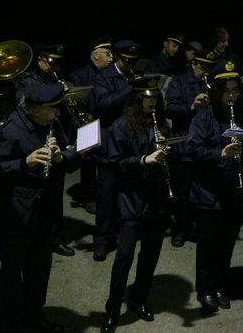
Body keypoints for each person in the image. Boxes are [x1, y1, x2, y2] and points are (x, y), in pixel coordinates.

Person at [0, 83, 82, 333]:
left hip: (44, 212)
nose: (57, 113)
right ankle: (9, 323)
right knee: (13, 275)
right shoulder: (8, 130)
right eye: (52, 110)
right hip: (14, 214)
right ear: (36, 110)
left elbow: (71, 153)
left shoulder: (51, 124)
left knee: (40, 272)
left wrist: (61, 158)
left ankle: (33, 316)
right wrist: (24, 163)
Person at [100, 76, 172, 333]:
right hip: (132, 199)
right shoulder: (120, 127)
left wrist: (167, 152)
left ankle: (139, 298)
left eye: (155, 98)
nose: (151, 102)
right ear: (136, 98)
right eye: (146, 97)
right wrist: (144, 159)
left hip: (156, 198)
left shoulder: (160, 124)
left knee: (150, 255)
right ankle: (112, 310)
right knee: (125, 256)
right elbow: (117, 164)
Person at [187, 60, 243, 313]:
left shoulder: (242, 112)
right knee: (208, 244)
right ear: (217, 91)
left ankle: (221, 286)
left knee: (227, 242)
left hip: (233, 190)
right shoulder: (204, 115)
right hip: (208, 191)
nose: (232, 96)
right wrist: (221, 153)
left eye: (235, 91)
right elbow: (193, 148)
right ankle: (205, 289)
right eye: (227, 91)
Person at [15, 44, 75, 257]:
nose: (55, 67)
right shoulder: (26, 80)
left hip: (55, 134)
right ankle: (33, 238)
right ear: (40, 59)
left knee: (55, 195)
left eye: (58, 63)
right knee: (35, 196)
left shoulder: (59, 79)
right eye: (52, 63)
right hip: (33, 138)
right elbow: (21, 106)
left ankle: (56, 238)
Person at [91, 39, 144, 260]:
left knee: (128, 191)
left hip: (131, 142)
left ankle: (125, 233)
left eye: (134, 61)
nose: (130, 65)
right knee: (107, 194)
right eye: (126, 61)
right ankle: (102, 240)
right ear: (117, 57)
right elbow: (103, 105)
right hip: (109, 144)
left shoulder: (136, 75)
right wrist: (130, 88)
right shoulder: (103, 77)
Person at [164, 49, 216, 247]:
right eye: (203, 67)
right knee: (183, 192)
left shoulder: (211, 84)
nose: (206, 72)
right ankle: (181, 228)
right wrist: (191, 107)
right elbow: (168, 108)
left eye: (210, 68)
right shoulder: (178, 82)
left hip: (205, 145)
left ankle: (196, 228)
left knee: (202, 191)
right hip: (184, 145)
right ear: (194, 64)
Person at [67, 36, 114, 214]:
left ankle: (105, 193)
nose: (111, 57)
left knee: (107, 160)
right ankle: (88, 196)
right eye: (107, 54)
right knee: (88, 162)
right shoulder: (78, 75)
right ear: (96, 56)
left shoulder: (111, 74)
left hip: (106, 123)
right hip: (87, 123)